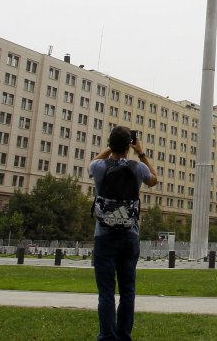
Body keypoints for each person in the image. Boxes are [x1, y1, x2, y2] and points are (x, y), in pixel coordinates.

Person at [91, 126, 158, 341]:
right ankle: (123, 335)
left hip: (104, 234)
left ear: (110, 145)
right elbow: (154, 179)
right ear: (129, 146)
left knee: (106, 292)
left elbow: (93, 162)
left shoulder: (100, 167)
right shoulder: (137, 168)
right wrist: (141, 152)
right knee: (128, 290)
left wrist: (110, 148)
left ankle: (107, 337)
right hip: (129, 234)